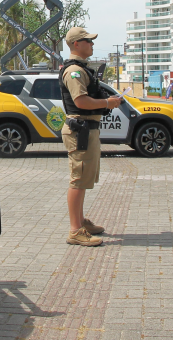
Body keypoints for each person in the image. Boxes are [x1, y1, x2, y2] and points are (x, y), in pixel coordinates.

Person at [59, 27, 122, 247]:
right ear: (76, 44)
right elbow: (81, 102)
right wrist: (107, 103)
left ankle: (80, 221)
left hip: (87, 129)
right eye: (88, 41)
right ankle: (75, 230)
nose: (92, 44)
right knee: (79, 179)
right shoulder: (74, 71)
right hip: (81, 130)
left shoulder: (81, 69)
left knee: (84, 178)